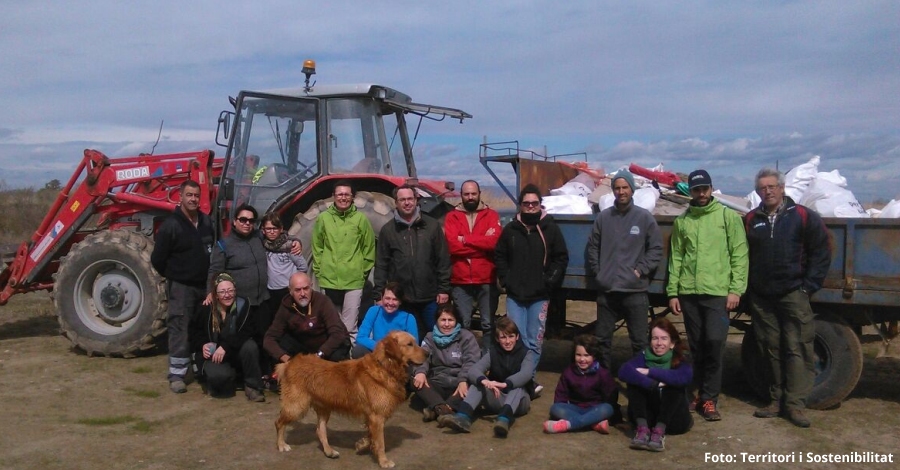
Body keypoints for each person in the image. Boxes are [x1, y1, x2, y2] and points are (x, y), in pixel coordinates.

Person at [744, 168, 831, 428]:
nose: (767, 191)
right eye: (762, 188)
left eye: (772, 186)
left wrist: (808, 287)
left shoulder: (802, 216)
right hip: (762, 297)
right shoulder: (750, 219)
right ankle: (775, 400)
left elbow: (821, 251)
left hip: (793, 293)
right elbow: (742, 255)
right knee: (769, 348)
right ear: (758, 191)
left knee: (798, 347)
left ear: (782, 188)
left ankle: (795, 405)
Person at [666, 169, 748, 421]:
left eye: (705, 189)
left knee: (714, 344)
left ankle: (710, 399)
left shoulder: (727, 217)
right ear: (689, 191)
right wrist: (673, 292)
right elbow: (676, 257)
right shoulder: (683, 221)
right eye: (696, 189)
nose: (701, 194)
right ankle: (701, 395)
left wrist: (735, 289)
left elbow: (739, 253)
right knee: (698, 346)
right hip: (689, 293)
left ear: (711, 189)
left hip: (717, 294)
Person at [587, 169, 663, 370]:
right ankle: (604, 384)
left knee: (639, 342)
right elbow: (593, 247)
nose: (621, 192)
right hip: (608, 291)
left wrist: (639, 271)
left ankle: (641, 384)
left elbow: (656, 248)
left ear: (632, 189)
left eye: (625, 187)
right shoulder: (604, 218)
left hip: (634, 292)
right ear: (613, 191)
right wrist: (599, 273)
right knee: (603, 341)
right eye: (617, 188)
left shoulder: (644, 218)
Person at [150, 180, 214, 394]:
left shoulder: (206, 222)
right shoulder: (172, 226)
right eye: (189, 195)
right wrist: (175, 276)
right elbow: (158, 259)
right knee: (179, 327)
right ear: (180, 196)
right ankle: (177, 374)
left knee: (201, 328)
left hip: (204, 286)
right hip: (182, 287)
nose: (193, 199)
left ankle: (198, 368)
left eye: (196, 195)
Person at [495, 184, 568, 364]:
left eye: (534, 203)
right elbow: (500, 255)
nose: (530, 207)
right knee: (515, 339)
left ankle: (529, 378)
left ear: (540, 204)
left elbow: (561, 258)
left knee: (534, 340)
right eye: (526, 203)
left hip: (539, 296)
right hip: (515, 296)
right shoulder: (511, 229)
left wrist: (548, 281)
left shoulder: (550, 228)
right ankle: (517, 377)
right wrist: (506, 280)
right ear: (520, 205)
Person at [439, 316, 539, 438]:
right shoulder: (493, 353)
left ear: (517, 337)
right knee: (478, 383)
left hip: (519, 402)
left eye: (511, 336)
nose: (507, 341)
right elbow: (474, 370)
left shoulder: (526, 353)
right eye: (503, 337)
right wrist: (485, 381)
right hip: (498, 397)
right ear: (497, 339)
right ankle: (463, 417)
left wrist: (505, 384)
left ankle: (503, 420)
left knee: (518, 388)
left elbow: (526, 373)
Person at [374, 184, 450, 340]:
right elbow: (382, 264)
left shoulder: (432, 226)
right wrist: (379, 294)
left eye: (410, 199)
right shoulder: (388, 230)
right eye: (402, 200)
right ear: (396, 202)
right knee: (407, 338)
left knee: (435, 335)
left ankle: (437, 364)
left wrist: (444, 289)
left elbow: (442, 259)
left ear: (416, 200)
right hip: (403, 298)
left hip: (430, 296)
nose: (407, 203)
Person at [311, 180, 376, 342]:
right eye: (340, 194)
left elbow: (369, 249)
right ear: (333, 196)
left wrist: (361, 273)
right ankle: (333, 363)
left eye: (347, 194)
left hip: (353, 280)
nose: (343, 198)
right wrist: (320, 270)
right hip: (329, 280)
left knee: (350, 327)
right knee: (332, 325)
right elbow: (317, 246)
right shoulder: (323, 218)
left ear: (352, 197)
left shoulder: (360, 219)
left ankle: (350, 362)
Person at [619, 317, 694, 452]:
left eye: (664, 338)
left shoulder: (680, 360)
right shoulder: (643, 357)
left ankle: (660, 431)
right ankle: (642, 430)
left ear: (672, 343)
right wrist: (651, 384)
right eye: (655, 338)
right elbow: (624, 371)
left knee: (674, 384)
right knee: (634, 381)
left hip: (674, 420)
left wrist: (650, 372)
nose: (659, 343)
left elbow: (684, 377)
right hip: (649, 417)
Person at [444, 180, 502, 350]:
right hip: (460, 280)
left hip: (486, 279)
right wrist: (481, 245)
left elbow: (494, 244)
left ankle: (488, 361)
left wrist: (466, 240)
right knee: (463, 324)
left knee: (488, 324)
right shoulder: (452, 216)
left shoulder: (491, 215)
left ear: (479, 194)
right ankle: (465, 360)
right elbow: (452, 246)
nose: (470, 197)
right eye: (466, 194)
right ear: (461, 195)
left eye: (473, 194)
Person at [191, 273, 265, 402]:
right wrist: (202, 344)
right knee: (221, 382)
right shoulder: (206, 308)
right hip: (214, 356)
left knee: (250, 346)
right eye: (223, 291)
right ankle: (226, 378)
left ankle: (253, 386)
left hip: (235, 351)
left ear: (235, 291)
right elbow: (193, 332)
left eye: (230, 290)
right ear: (216, 294)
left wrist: (225, 346)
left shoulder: (244, 306)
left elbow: (248, 331)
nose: (227, 295)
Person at [412, 302, 482, 423]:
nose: (446, 324)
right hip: (437, 382)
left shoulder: (466, 337)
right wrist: (421, 372)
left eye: (450, 320)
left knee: (475, 385)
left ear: (456, 321)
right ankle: (444, 409)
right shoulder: (429, 337)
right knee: (416, 379)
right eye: (443, 320)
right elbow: (423, 358)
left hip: (459, 383)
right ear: (437, 321)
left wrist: (463, 380)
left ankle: (435, 408)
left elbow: (471, 361)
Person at [263, 272, 350, 363]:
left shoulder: (323, 301)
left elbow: (337, 334)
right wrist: (286, 359)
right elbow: (269, 338)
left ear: (311, 287)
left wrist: (319, 355)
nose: (303, 293)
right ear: (290, 291)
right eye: (298, 290)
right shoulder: (286, 306)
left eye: (306, 288)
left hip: (327, 346)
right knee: (282, 345)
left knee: (337, 354)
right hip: (305, 347)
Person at [543, 334, 618, 434]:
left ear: (594, 356)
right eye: (578, 355)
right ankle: (593, 423)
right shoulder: (568, 372)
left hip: (596, 409)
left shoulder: (602, 373)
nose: (582, 359)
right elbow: (560, 396)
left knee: (607, 408)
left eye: (586, 355)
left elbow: (610, 397)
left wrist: (617, 419)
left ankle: (568, 425)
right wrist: (558, 411)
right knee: (555, 408)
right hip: (575, 408)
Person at [259, 212, 308, 354]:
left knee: (292, 325)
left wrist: (295, 285)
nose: (272, 232)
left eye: (275, 228)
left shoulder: (289, 246)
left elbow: (302, 266)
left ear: (281, 229)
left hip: (287, 291)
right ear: (263, 230)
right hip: (271, 293)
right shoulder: (263, 245)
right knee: (276, 326)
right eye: (268, 229)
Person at [351, 282, 418, 358]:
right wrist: (383, 348)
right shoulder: (374, 311)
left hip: (399, 357)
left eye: (395, 299)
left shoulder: (408, 319)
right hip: (377, 352)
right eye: (387, 298)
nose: (390, 303)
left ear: (400, 301)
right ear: (382, 297)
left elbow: (415, 346)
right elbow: (361, 337)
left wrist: (394, 351)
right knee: (358, 351)